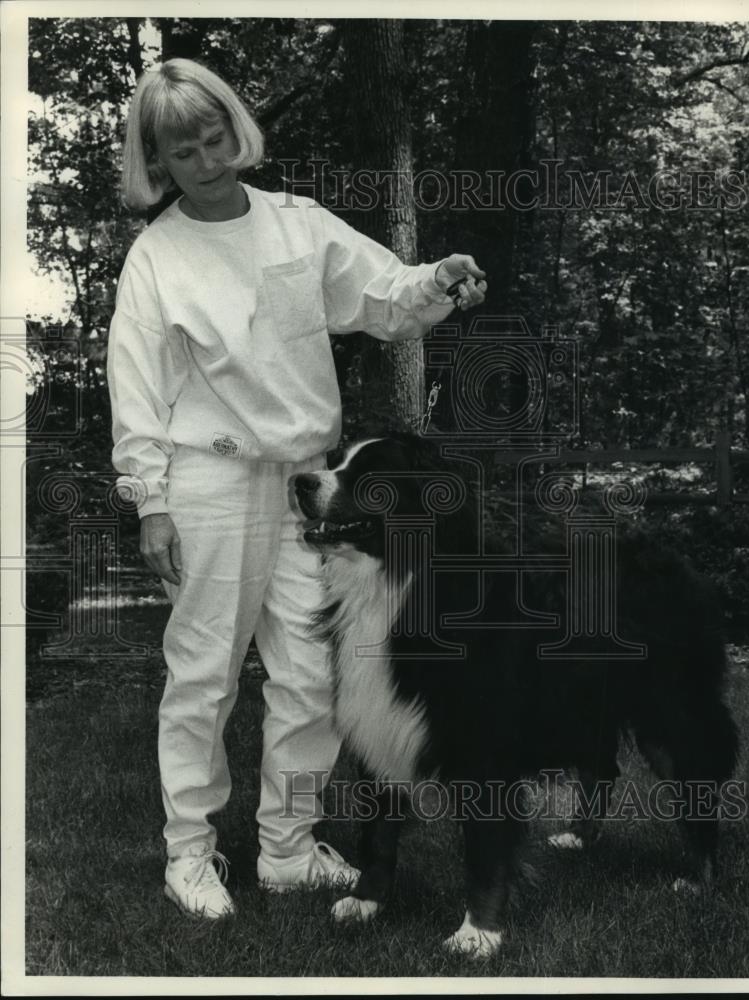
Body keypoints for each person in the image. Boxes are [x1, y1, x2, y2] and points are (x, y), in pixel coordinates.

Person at [107, 57, 487, 921]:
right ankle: (189, 855)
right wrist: (151, 500)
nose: (206, 159)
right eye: (182, 150)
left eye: (215, 137)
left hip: (314, 484)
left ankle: (285, 847)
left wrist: (437, 280)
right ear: (157, 161)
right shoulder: (156, 258)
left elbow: (383, 292)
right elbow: (135, 389)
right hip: (209, 480)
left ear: (237, 129)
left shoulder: (297, 225)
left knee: (314, 672)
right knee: (203, 674)